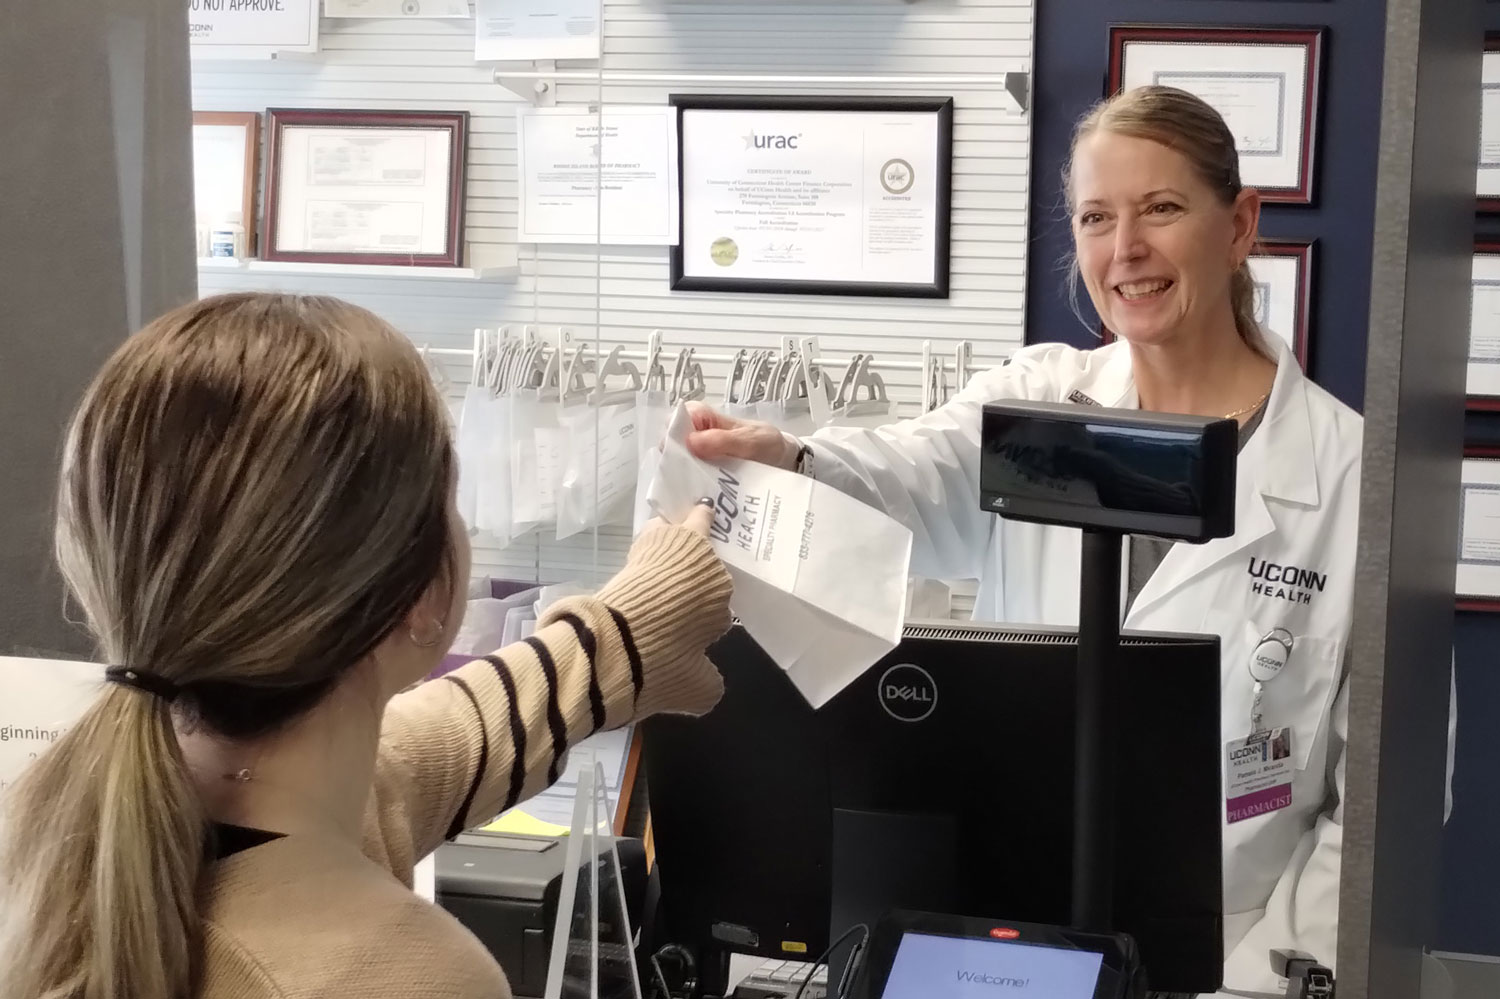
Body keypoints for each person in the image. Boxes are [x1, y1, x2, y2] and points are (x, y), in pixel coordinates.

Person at [686, 86, 1357, 995]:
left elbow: (1376, 801)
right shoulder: (1043, 401)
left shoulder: (1349, 476)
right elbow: (914, 473)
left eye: (1161, 208)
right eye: (1096, 217)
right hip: (1007, 947)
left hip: (1233, 963)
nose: (1126, 250)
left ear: (1239, 224)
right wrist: (796, 460)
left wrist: (1259, 977)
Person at [0, 292, 734, 999]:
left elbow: (443, 744)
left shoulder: (62, 832)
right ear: (423, 595)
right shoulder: (408, 974)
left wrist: (629, 629)